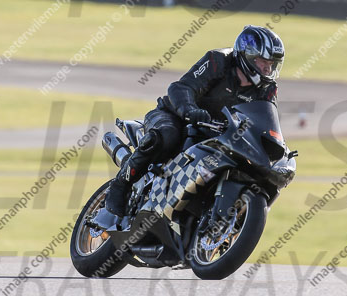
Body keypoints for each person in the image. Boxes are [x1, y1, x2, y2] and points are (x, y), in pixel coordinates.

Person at [104, 24, 285, 216]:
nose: (268, 68)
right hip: (174, 115)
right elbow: (181, 88)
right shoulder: (219, 61)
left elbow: (265, 119)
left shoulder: (267, 89)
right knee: (166, 136)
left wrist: (274, 147)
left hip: (218, 133)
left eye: (272, 64)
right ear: (247, 55)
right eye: (263, 61)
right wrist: (190, 110)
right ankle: (120, 186)